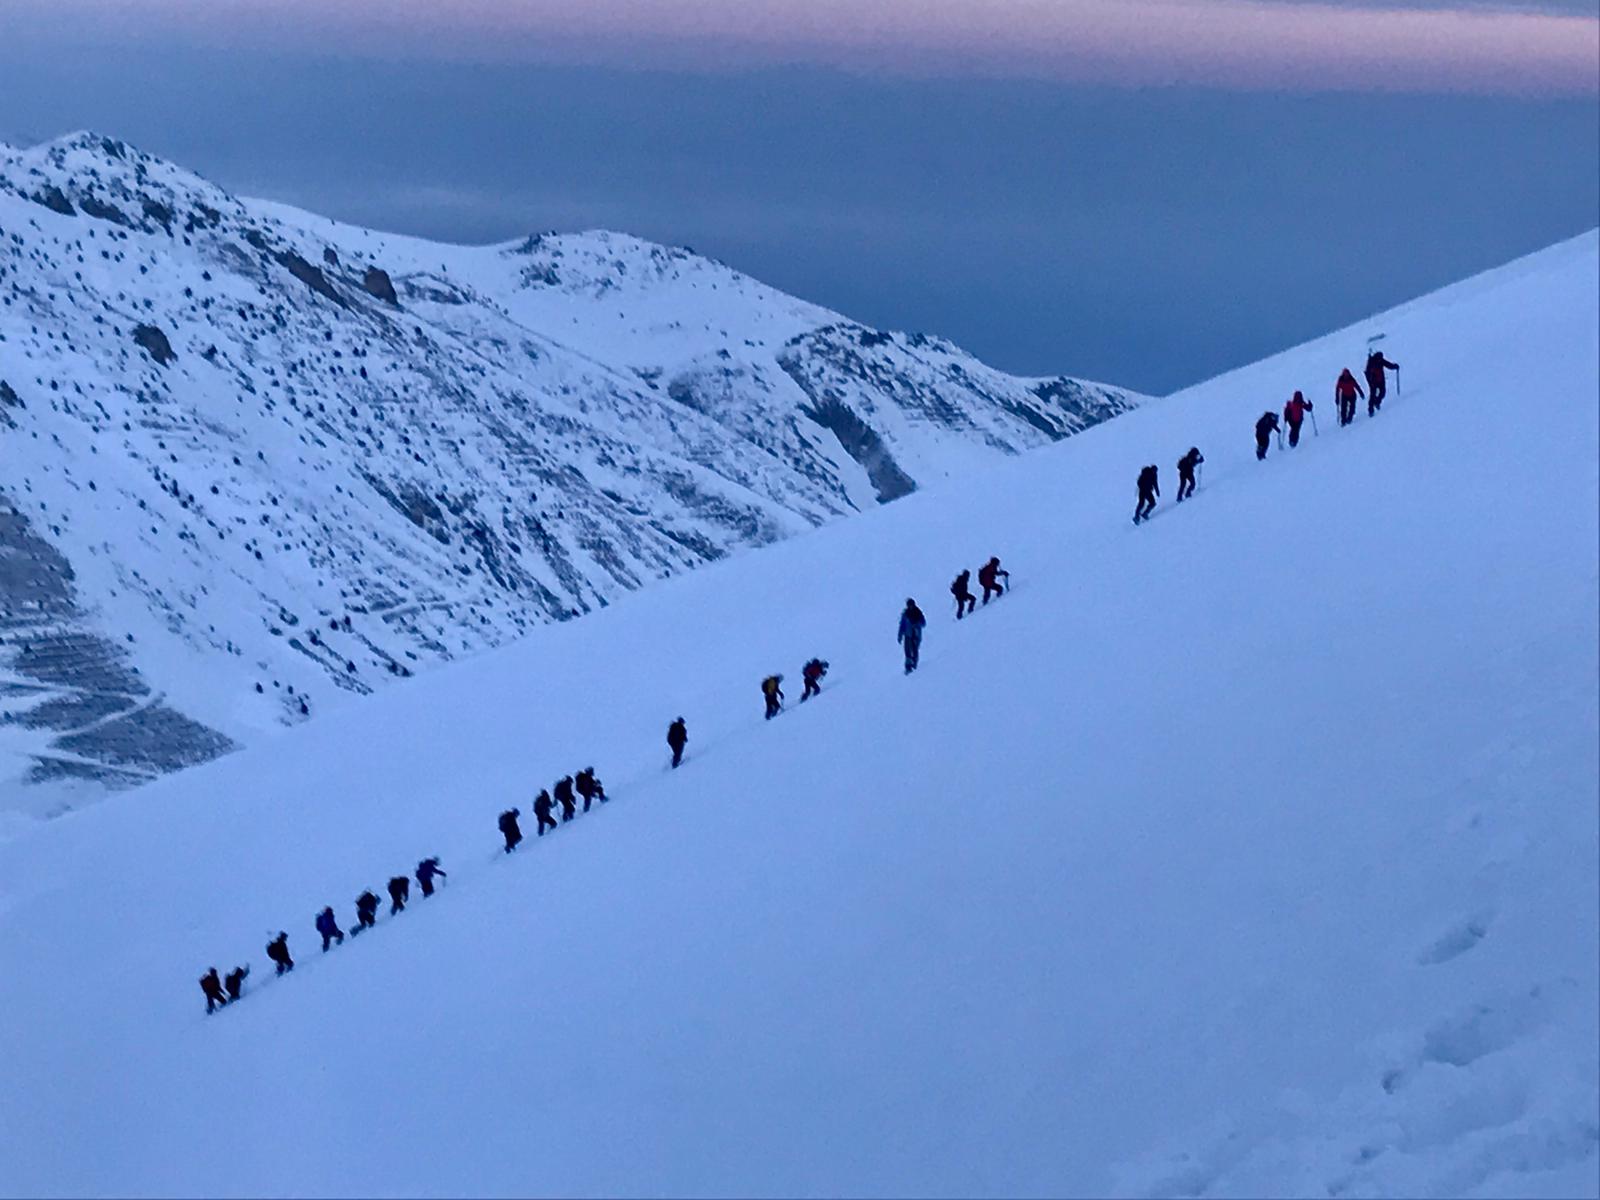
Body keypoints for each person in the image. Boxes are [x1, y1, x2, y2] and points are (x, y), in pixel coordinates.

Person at [1365, 349, 1399, 414]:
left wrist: (1395, 366)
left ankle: (1377, 402)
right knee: (1372, 395)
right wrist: (1370, 380)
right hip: (1373, 381)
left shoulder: (1381, 360)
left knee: (1382, 393)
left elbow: (1388, 365)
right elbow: (1367, 371)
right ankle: (1371, 410)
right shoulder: (1371, 361)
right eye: (1379, 358)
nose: (1380, 359)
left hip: (1381, 380)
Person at [898, 598, 926, 674]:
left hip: (916, 635)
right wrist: (900, 635)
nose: (910, 607)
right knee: (907, 650)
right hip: (907, 634)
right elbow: (902, 625)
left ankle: (914, 664)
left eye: (911, 605)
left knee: (914, 650)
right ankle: (908, 666)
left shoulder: (918, 613)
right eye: (909, 605)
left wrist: (917, 624)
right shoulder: (905, 614)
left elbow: (923, 623)